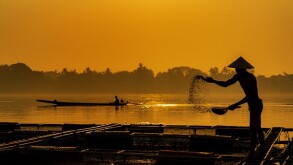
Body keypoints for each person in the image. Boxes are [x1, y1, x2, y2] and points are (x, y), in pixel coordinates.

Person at [199, 56, 265, 158]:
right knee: (257, 129)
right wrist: (213, 81)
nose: (236, 70)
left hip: (256, 104)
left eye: (237, 69)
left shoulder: (250, 78)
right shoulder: (238, 77)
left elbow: (250, 96)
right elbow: (226, 84)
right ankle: (262, 150)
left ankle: (253, 152)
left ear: (242, 69)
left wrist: (235, 104)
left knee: (253, 130)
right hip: (252, 105)